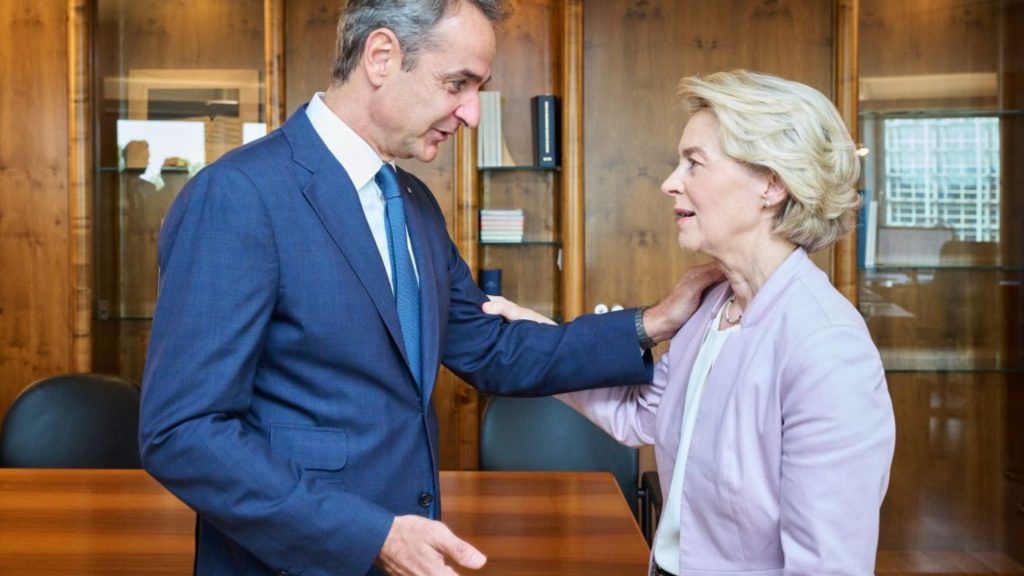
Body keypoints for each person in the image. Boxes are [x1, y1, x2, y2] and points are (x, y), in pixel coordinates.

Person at [138, 2, 722, 575]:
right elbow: (183, 433)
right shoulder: (238, 195)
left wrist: (651, 323)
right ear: (382, 56)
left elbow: (490, 349)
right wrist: (370, 535)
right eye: (457, 84)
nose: (471, 113)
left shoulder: (412, 204)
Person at [486, 70, 896, 575]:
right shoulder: (711, 306)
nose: (669, 182)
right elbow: (640, 416)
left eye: (694, 163)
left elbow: (827, 565)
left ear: (771, 183)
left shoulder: (827, 346)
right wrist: (536, 336)